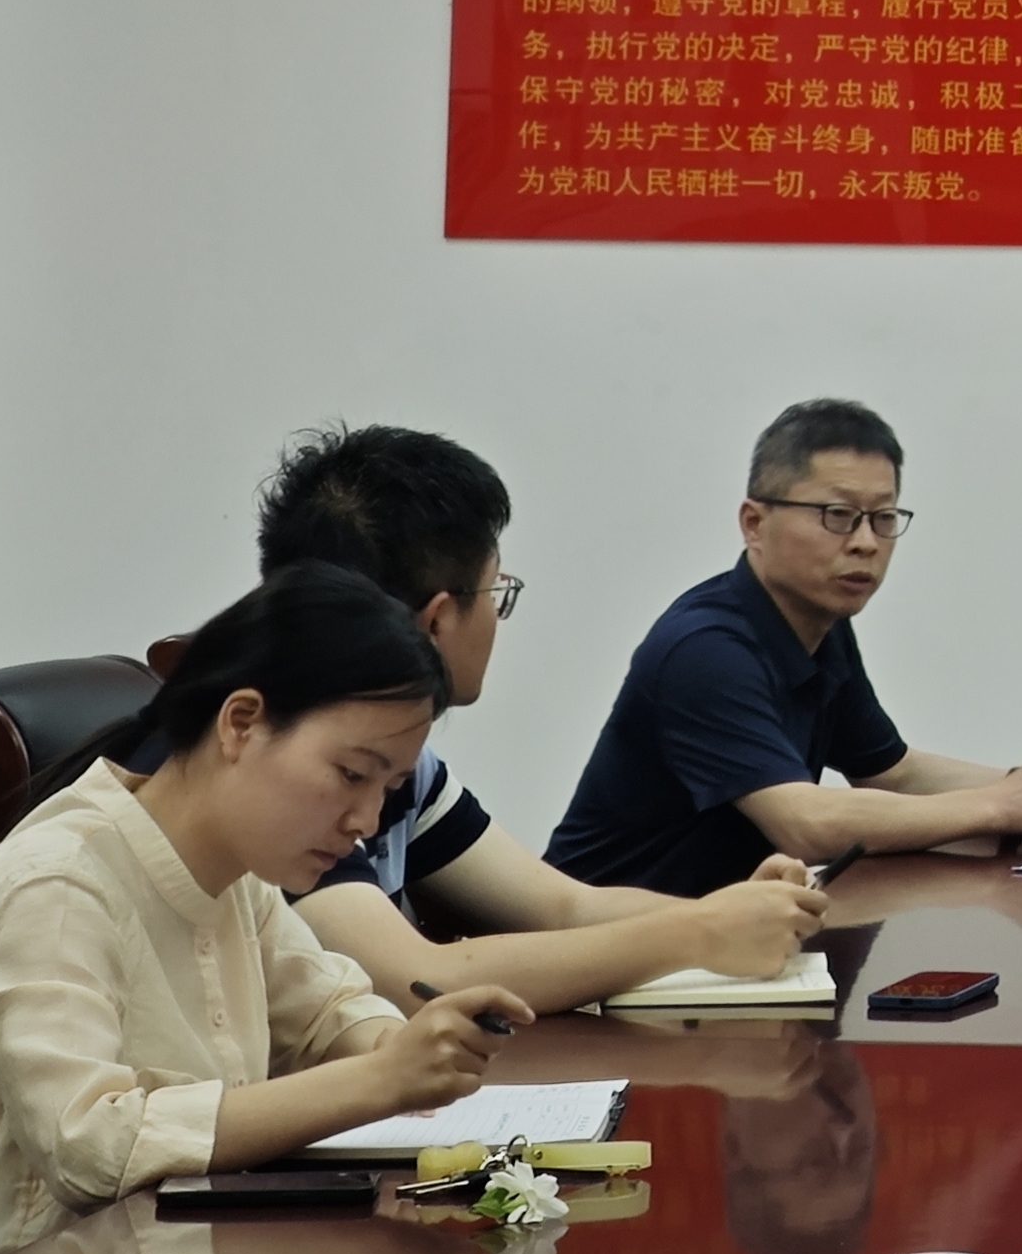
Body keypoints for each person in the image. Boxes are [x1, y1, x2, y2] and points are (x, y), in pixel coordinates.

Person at [0, 568, 531, 1254]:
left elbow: (329, 1011)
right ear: (241, 723)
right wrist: (381, 1079)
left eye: (386, 789)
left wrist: (403, 1047)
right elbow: (93, 1146)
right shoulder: (59, 885)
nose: (364, 818)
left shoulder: (236, 874)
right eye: (350, 774)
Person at [233, 425, 828, 1012]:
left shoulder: (400, 766)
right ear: (437, 620)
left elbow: (563, 908)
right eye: (494, 592)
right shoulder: (280, 769)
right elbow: (421, 981)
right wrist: (699, 934)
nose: (497, 617)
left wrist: (731, 913)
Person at [549, 399, 1022, 894]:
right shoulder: (705, 649)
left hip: (718, 934)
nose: (865, 543)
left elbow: (892, 772)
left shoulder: (821, 625)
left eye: (883, 518)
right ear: (754, 523)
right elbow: (806, 824)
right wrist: (1000, 804)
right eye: (838, 515)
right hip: (606, 951)